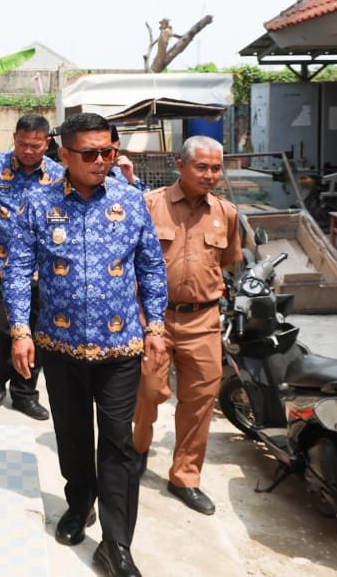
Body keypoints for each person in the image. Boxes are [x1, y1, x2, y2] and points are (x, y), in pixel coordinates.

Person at [4, 112, 167, 577]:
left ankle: (117, 545)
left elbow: (151, 266)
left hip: (120, 349)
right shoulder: (38, 203)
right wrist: (19, 331)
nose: (102, 161)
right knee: (73, 437)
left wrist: (156, 326)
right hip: (59, 347)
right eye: (91, 153)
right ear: (64, 155)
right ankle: (79, 504)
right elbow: (18, 269)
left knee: (118, 444)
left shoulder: (130, 200)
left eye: (109, 151)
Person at [131, 135, 241, 517]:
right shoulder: (151, 204)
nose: (210, 175)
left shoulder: (226, 213)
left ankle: (185, 477)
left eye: (216, 168)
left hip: (203, 320)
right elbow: (130, 261)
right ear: (181, 166)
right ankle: (137, 449)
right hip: (155, 319)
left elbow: (227, 261)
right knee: (148, 391)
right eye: (202, 167)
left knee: (200, 401)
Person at [0, 115, 63, 420]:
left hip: (38, 270)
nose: (28, 151)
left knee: (35, 332)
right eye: (23, 144)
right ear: (14, 138)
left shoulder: (58, 175)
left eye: (36, 145)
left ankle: (24, 393)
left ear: (47, 143)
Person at [106, 124, 146, 192]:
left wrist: (130, 179)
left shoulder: (121, 173)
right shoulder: (89, 175)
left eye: (115, 152)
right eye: (107, 153)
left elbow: (146, 195)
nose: (112, 160)